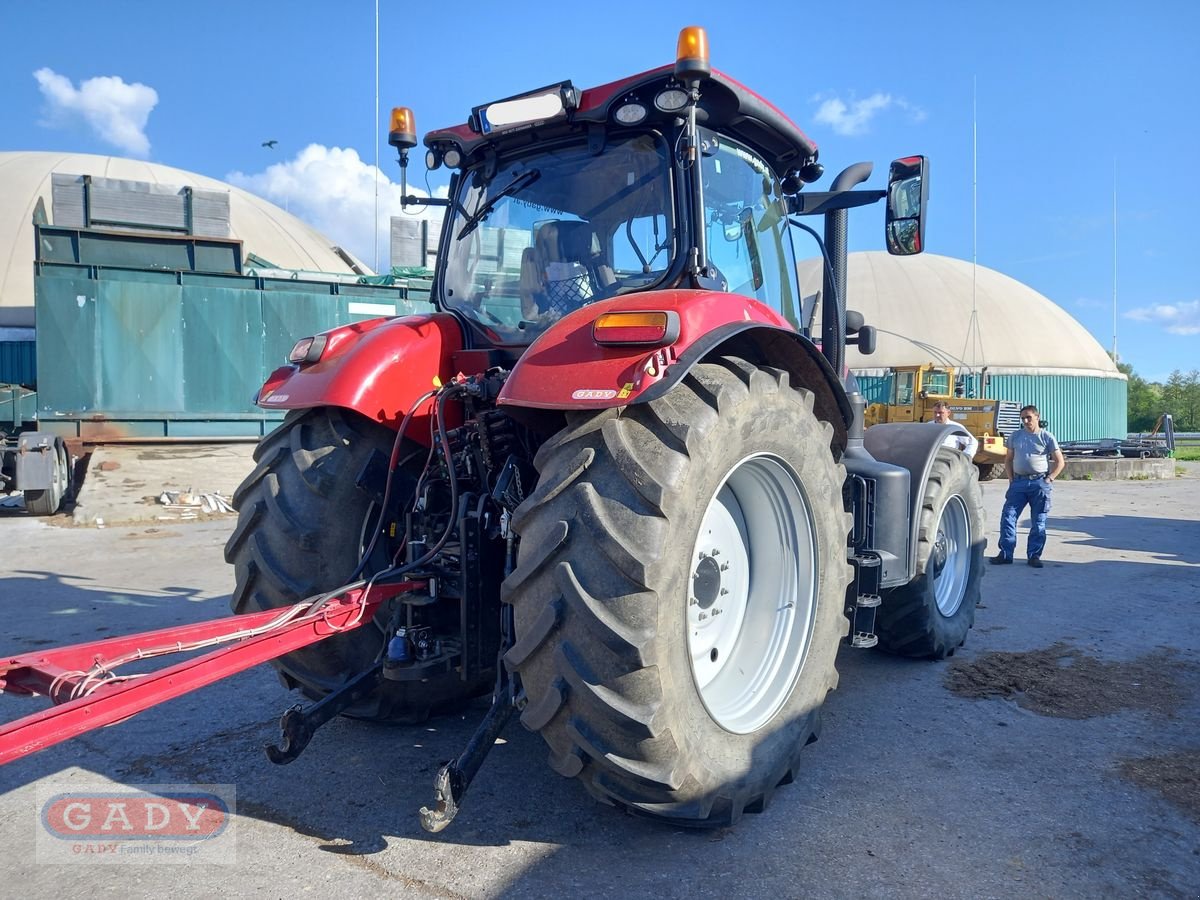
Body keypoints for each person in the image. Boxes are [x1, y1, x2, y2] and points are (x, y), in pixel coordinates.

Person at [991, 404, 1066, 568]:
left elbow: (1060, 462)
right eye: (1023, 418)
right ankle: (1006, 553)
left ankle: (1034, 555)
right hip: (1018, 483)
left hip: (1039, 484)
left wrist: (1050, 479)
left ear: (1037, 417)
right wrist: (1011, 479)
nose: (1025, 421)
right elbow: (1008, 459)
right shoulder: (1015, 436)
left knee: (1038, 521)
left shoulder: (1046, 437)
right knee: (1008, 517)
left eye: (1029, 417)